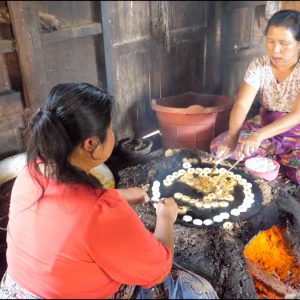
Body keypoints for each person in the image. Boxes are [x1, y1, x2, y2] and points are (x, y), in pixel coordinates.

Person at [0, 83, 217, 299]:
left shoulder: (31, 172)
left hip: (19, 289)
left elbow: (65, 209)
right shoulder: (101, 214)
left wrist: (119, 196)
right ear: (91, 143)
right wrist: (166, 218)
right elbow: (158, 272)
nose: (112, 133)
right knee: (199, 291)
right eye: (110, 128)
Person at [210, 9, 300, 184]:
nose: (275, 49)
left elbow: (297, 115)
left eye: (284, 43)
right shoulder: (259, 65)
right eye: (270, 41)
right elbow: (242, 105)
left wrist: (258, 136)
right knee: (219, 147)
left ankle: (277, 164)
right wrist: (232, 137)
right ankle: (274, 164)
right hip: (264, 126)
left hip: (296, 135)